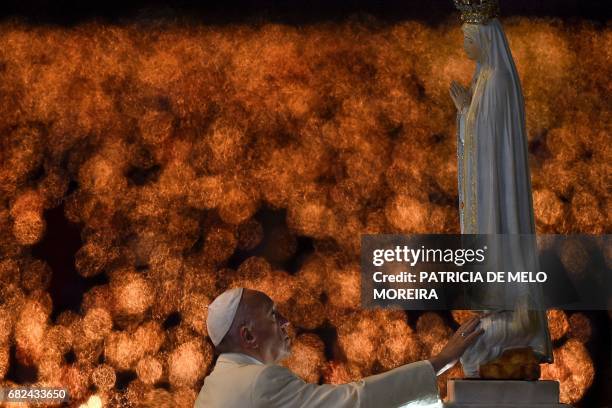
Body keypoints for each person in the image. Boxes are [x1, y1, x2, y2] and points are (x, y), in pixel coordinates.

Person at [449, 0, 552, 376]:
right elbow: (482, 133)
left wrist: (466, 113)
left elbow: (490, 138)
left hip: (497, 188)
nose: (465, 46)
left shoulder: (496, 81)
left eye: (468, 38)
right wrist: (466, 111)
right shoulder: (486, 79)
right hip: (489, 183)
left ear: (484, 39)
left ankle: (508, 315)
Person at [195, 287, 484, 408]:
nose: (285, 322)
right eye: (273, 314)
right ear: (248, 337)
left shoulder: (213, 388)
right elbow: (351, 401)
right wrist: (439, 362)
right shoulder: (259, 382)